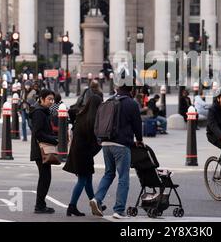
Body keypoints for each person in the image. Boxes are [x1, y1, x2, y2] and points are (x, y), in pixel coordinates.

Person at [90, 84, 144, 219]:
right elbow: (137, 124)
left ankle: (97, 199)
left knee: (108, 173)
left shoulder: (109, 101)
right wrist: (139, 139)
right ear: (131, 90)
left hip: (106, 142)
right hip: (121, 144)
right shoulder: (132, 104)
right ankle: (119, 210)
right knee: (123, 177)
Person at [63, 81, 104, 217]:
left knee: (88, 179)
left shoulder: (81, 115)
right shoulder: (93, 120)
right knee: (82, 180)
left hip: (77, 151)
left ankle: (96, 202)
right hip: (84, 153)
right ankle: (72, 206)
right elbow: (95, 141)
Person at [29, 89, 58, 214]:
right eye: (49, 99)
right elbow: (38, 133)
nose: (51, 102)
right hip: (41, 150)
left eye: (52, 99)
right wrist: (54, 139)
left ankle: (40, 204)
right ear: (41, 99)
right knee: (45, 178)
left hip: (42, 149)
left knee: (45, 177)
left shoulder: (43, 111)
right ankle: (39, 205)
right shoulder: (39, 113)